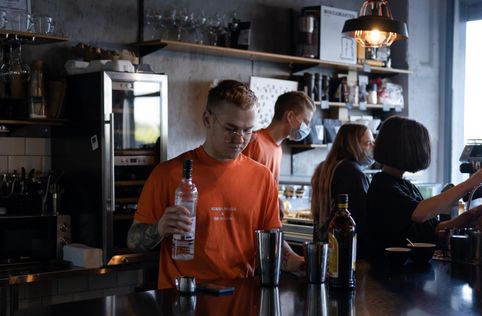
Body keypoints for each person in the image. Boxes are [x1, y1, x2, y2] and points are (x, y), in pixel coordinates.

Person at [127, 80, 304, 289]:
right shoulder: (168, 174)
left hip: (240, 299)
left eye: (248, 130)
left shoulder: (262, 177)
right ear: (207, 119)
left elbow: (272, 242)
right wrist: (159, 228)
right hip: (183, 299)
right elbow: (133, 240)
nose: (239, 139)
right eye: (231, 129)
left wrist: (300, 262)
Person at [364, 116, 482, 259]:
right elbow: (420, 214)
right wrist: (469, 184)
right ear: (407, 150)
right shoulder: (383, 187)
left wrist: (468, 216)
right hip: (388, 272)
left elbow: (436, 229)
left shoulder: (405, 185)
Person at [310, 123, 375, 254]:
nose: (373, 147)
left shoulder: (324, 168)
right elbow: (362, 219)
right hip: (347, 251)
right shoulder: (354, 173)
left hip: (324, 247)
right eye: (368, 143)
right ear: (353, 145)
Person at [242, 91, 315, 183]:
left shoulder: (278, 149)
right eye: (305, 122)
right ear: (290, 116)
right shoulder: (254, 141)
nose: (307, 128)